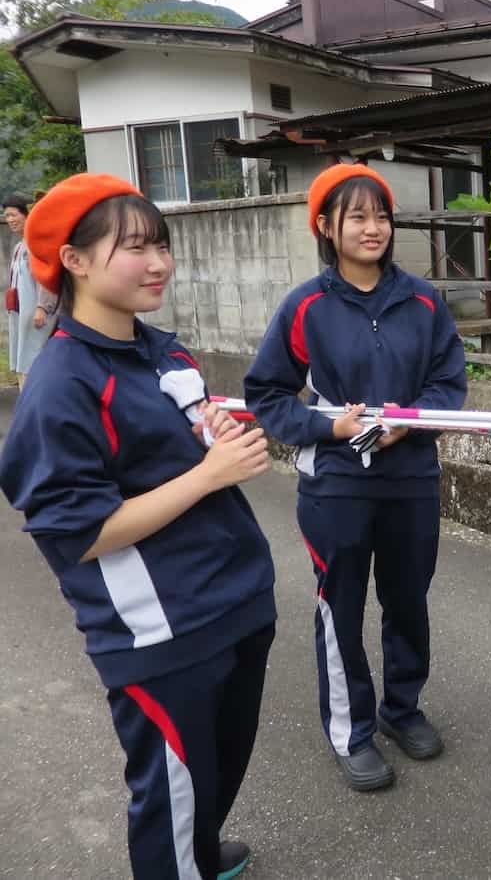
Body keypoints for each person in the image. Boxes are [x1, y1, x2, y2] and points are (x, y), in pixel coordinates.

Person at [0, 174, 277, 880]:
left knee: (211, 776)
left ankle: (200, 856)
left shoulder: (162, 350)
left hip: (235, 599)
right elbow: (78, 534)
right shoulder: (61, 385)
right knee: (170, 795)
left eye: (161, 245)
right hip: (159, 632)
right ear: (75, 260)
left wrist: (208, 431)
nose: (158, 263)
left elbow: (180, 439)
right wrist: (209, 474)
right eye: (134, 247)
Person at [244, 163, 467, 792]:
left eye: (382, 215)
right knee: (338, 609)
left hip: (411, 478)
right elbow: (266, 394)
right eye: (358, 216)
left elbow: (450, 386)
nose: (374, 228)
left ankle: (402, 709)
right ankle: (352, 731)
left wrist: (411, 422)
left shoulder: (423, 300)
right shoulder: (305, 305)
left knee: (408, 601)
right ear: (326, 226)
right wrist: (329, 428)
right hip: (335, 482)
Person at [5, 192, 59, 387]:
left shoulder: (38, 244)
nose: (9, 220)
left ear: (27, 214)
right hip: (21, 313)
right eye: (6, 216)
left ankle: (36, 405)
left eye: (13, 214)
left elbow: (47, 276)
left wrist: (42, 307)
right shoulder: (20, 246)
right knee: (23, 361)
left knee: (34, 358)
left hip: (36, 313)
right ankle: (27, 406)